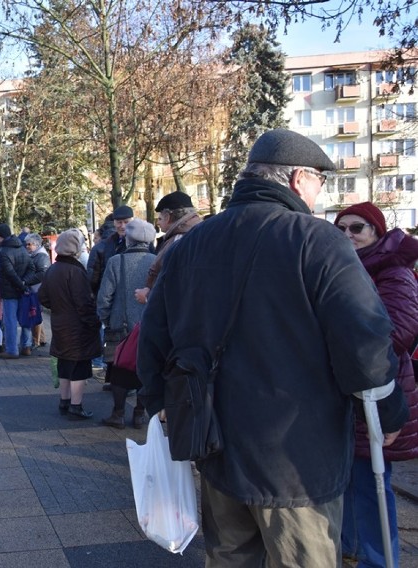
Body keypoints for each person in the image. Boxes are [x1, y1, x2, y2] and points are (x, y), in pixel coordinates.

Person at [137, 128, 408, 566]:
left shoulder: (193, 243)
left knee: (229, 557)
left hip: (216, 445)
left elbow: (154, 335)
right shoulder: (316, 240)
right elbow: (365, 340)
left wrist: (157, 403)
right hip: (297, 459)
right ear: (299, 178)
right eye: (322, 181)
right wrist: (388, 412)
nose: (321, 194)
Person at [334, 202, 418, 567]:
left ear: (376, 234)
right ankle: (350, 546)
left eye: (357, 228)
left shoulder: (392, 271)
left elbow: (400, 331)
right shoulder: (340, 268)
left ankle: (379, 560)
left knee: (371, 482)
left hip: (378, 391)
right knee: (350, 476)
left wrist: (338, 342)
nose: (348, 236)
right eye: (341, 229)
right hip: (347, 391)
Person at [95, 219, 156, 429]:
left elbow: (104, 297)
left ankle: (118, 413)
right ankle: (139, 414)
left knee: (119, 371)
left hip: (119, 325)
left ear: (128, 239)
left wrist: (105, 318)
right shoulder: (157, 261)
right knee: (145, 371)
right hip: (149, 326)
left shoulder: (116, 261)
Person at [38, 229, 101, 419]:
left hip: (59, 324)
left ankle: (64, 401)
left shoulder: (53, 269)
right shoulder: (75, 271)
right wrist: (94, 323)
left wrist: (58, 308)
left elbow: (43, 297)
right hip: (78, 328)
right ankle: (76, 405)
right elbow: (84, 304)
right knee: (80, 367)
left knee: (64, 364)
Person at [134, 190, 201, 304]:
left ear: (168, 217)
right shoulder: (199, 234)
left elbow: (176, 282)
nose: (158, 223)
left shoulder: (179, 240)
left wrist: (148, 297)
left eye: (159, 218)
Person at [0, 223, 32, 359]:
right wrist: (24, 283)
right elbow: (31, 268)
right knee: (25, 319)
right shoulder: (21, 248)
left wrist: (21, 285)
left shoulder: (4, 252)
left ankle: (11, 349)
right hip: (22, 289)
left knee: (10, 321)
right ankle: (26, 345)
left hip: (10, 291)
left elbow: (10, 273)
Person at [87, 205, 133, 295]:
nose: (123, 226)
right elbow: (92, 279)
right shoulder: (101, 247)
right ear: (114, 223)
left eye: (126, 222)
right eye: (119, 222)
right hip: (109, 296)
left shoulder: (143, 243)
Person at [22, 233, 50, 354]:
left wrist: (26, 280)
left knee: (35, 314)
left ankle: (36, 341)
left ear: (37, 244)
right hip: (34, 288)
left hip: (37, 288)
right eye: (26, 244)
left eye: (29, 244)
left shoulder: (41, 256)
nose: (27, 246)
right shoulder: (35, 255)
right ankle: (41, 339)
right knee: (36, 313)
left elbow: (42, 273)